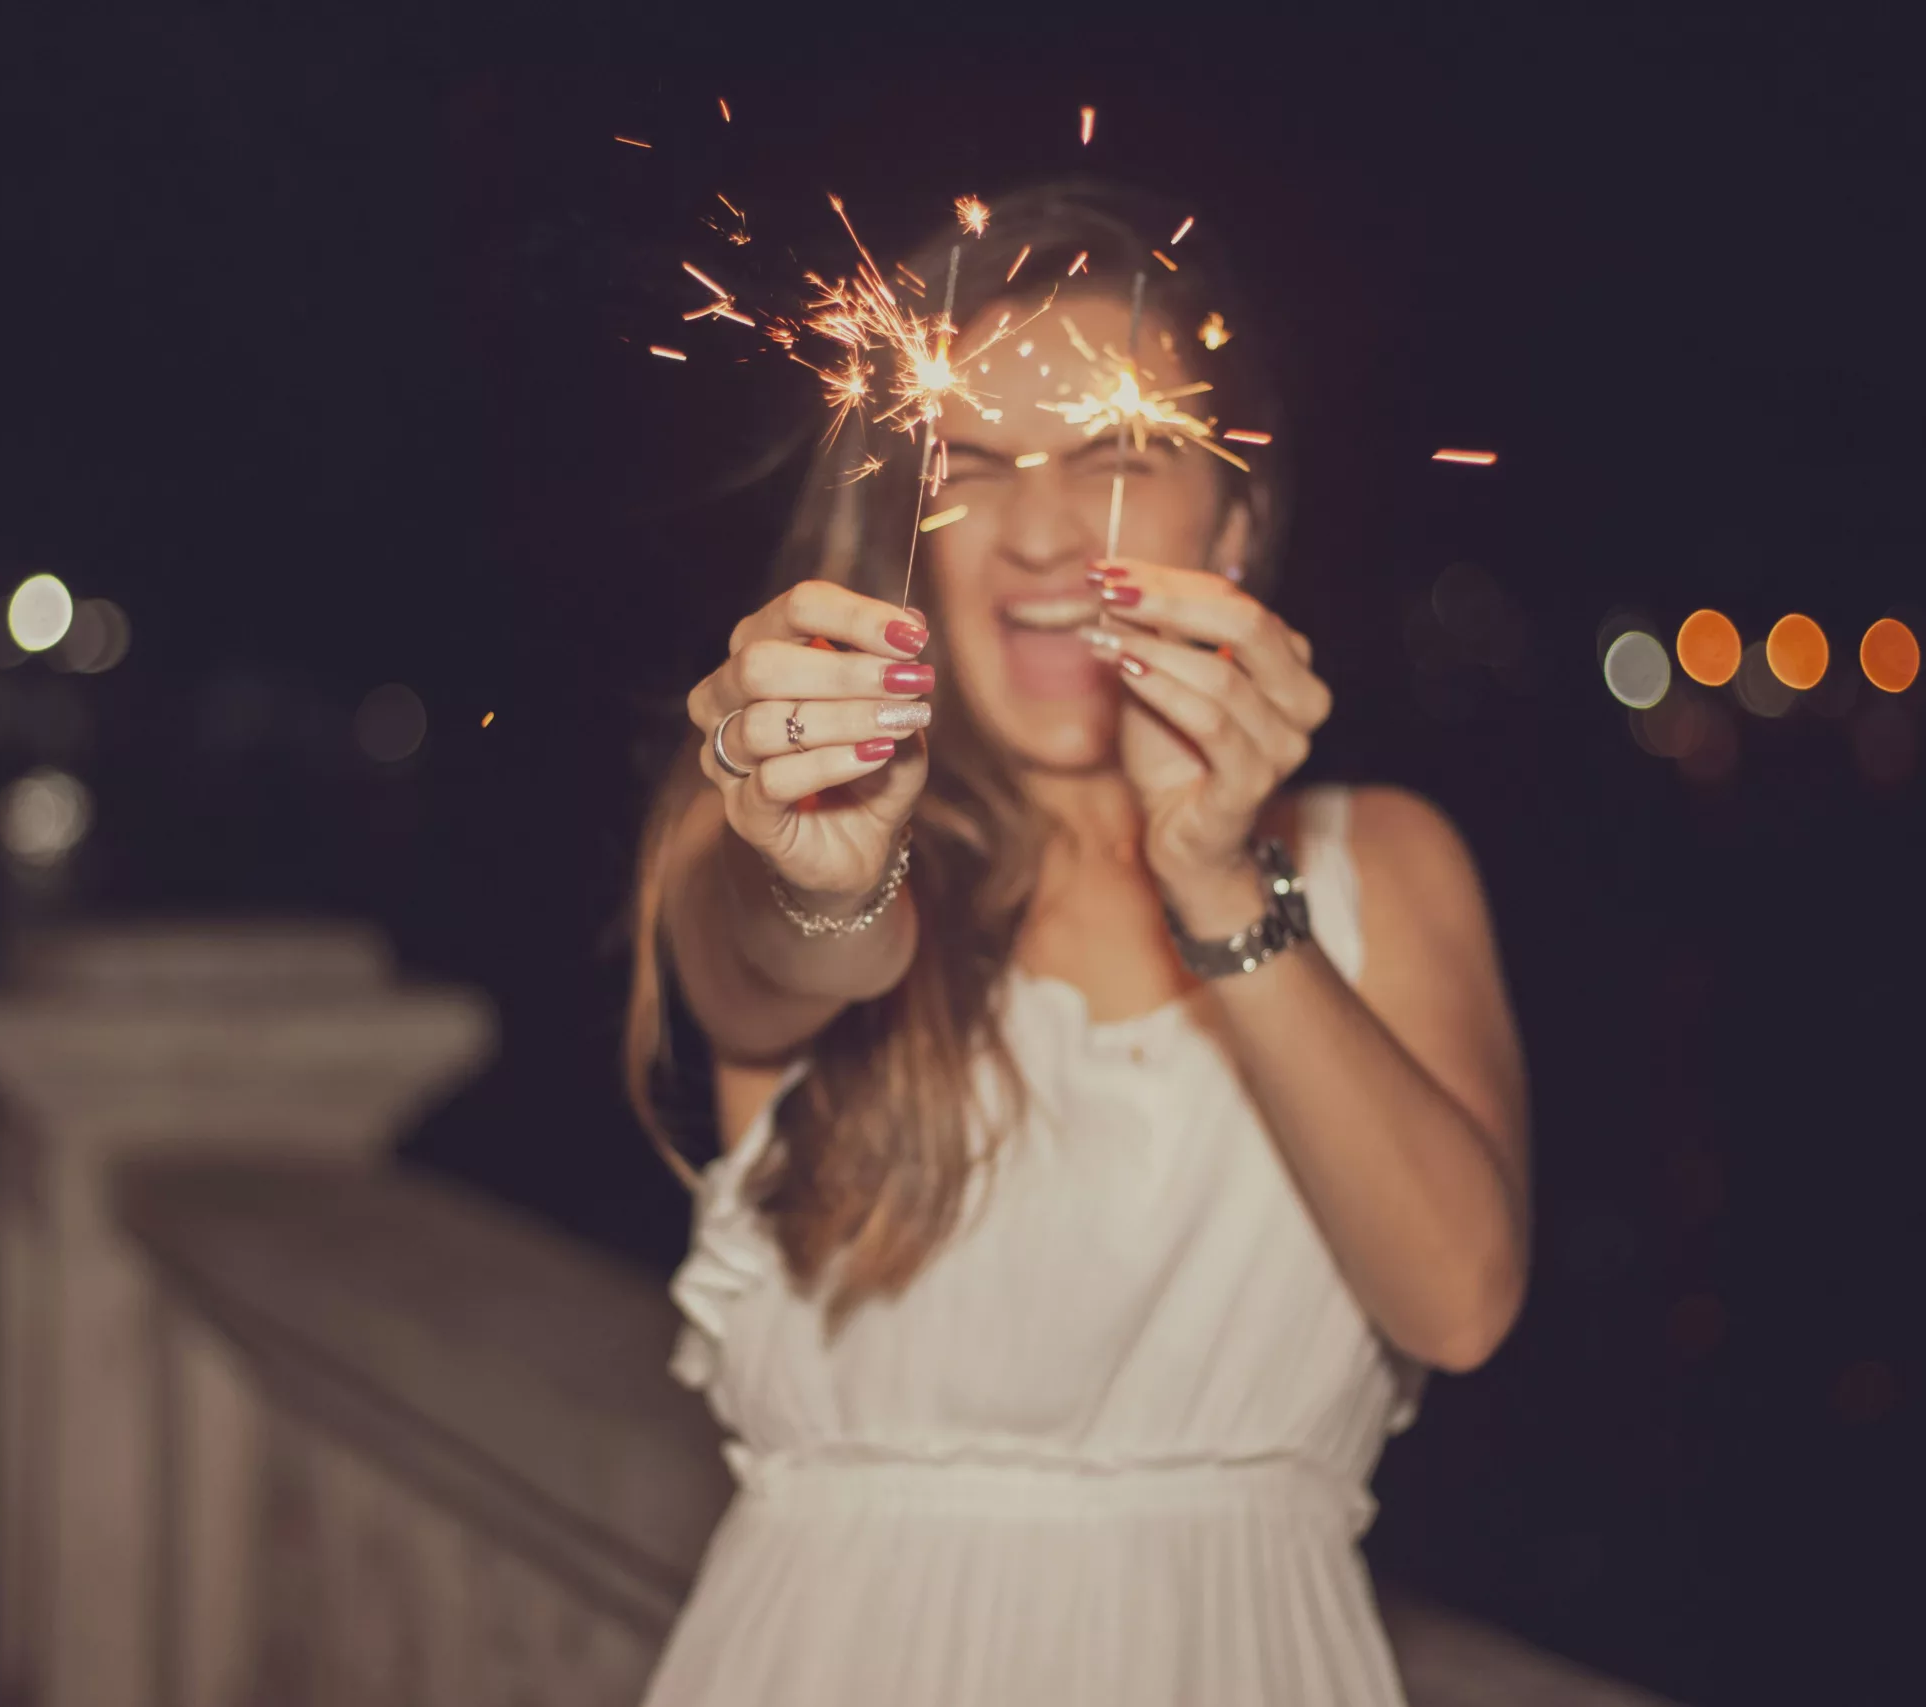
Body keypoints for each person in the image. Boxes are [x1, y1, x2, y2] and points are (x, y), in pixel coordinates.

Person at [622, 181, 1530, 1706]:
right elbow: (775, 960)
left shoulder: (1384, 859)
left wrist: (1216, 880)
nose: (1041, 529)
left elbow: (1458, 1296)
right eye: (972, 466)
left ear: (1235, 518)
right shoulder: (783, 815)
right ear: (910, 530)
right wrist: (827, 872)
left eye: (1116, 453)